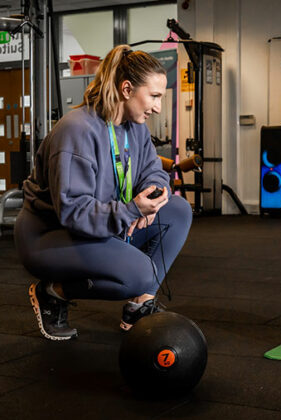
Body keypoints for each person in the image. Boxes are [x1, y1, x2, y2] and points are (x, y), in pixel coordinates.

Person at [14, 45, 193, 341]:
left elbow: (154, 170)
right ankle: (52, 292)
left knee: (177, 210)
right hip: (50, 236)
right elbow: (74, 213)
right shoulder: (77, 131)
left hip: (99, 225)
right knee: (140, 275)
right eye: (155, 96)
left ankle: (138, 307)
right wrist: (132, 210)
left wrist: (154, 194)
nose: (158, 107)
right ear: (126, 89)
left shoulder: (133, 128)